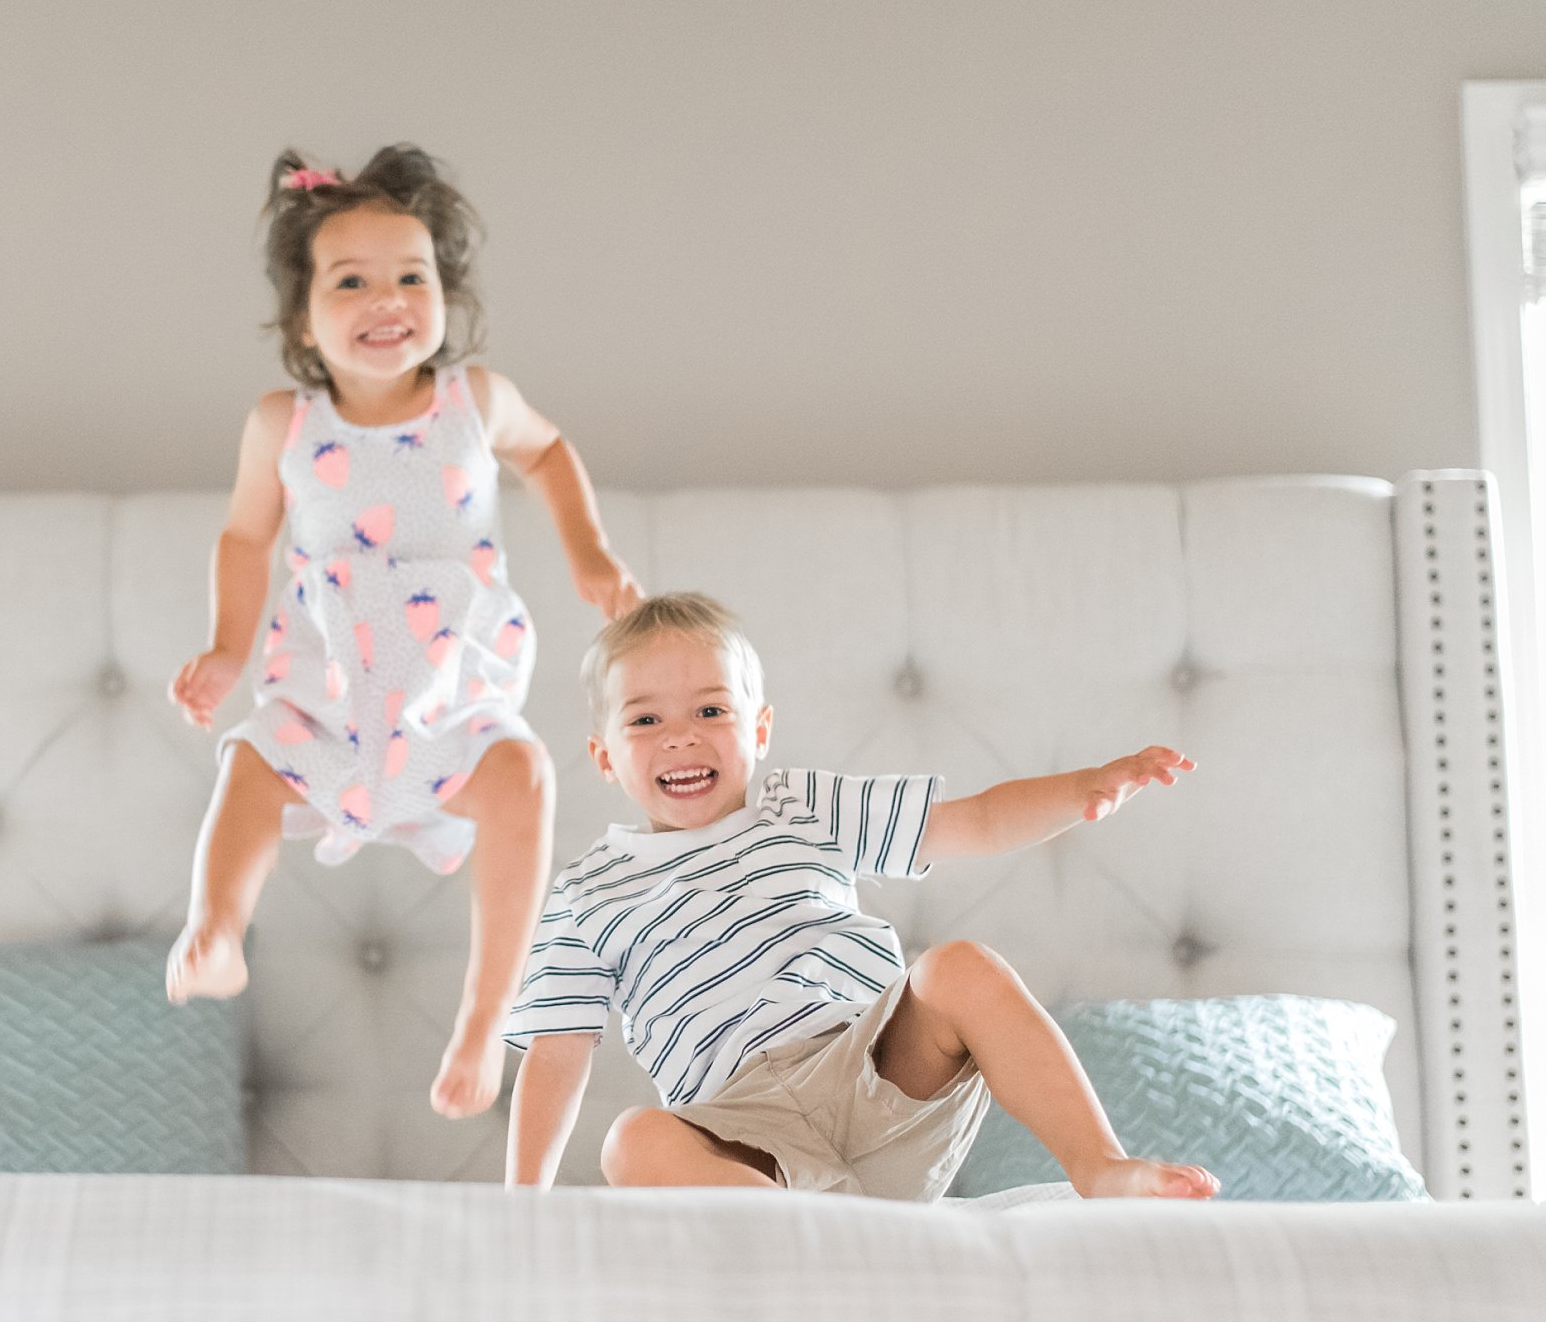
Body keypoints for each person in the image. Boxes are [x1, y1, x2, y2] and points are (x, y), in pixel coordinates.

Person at [165, 144, 642, 1120]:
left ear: (442, 292)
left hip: (445, 686)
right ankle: (215, 930)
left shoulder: (477, 404)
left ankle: (485, 1013)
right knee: (250, 768)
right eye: (350, 281)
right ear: (302, 314)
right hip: (331, 686)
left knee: (523, 779)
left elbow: (546, 453)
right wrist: (225, 646)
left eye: (409, 277)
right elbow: (244, 537)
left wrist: (586, 551)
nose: (386, 300)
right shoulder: (281, 427)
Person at [504, 592, 1220, 1198]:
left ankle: (1098, 1165)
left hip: (875, 1072)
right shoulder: (586, 893)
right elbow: (557, 1053)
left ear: (759, 730)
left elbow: (968, 820)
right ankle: (812, 1245)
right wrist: (521, 1206)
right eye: (645, 720)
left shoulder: (803, 808)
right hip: (745, 1132)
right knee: (632, 1141)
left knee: (958, 966)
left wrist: (1078, 789)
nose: (682, 739)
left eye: (711, 712)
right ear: (603, 756)